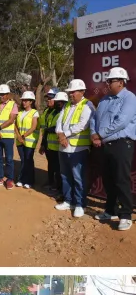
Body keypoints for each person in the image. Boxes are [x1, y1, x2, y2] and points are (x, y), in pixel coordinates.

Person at [91, 67, 136, 232]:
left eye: (111, 81)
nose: (108, 84)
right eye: (107, 81)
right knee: (108, 180)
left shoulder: (130, 98)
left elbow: (121, 122)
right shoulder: (104, 100)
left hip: (122, 144)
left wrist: (100, 134)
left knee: (121, 179)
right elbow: (95, 119)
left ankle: (126, 215)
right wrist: (93, 133)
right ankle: (110, 211)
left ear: (121, 82)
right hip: (105, 145)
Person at [55, 79, 95, 219]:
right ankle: (68, 201)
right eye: (70, 92)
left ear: (82, 92)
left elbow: (83, 124)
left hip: (78, 148)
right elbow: (59, 122)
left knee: (78, 178)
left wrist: (64, 135)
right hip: (63, 147)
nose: (71, 94)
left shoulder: (87, 105)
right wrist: (60, 134)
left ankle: (80, 204)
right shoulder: (67, 105)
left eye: (73, 92)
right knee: (65, 175)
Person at [0, 84, 18, 189]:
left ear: (8, 95)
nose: (1, 96)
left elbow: (11, 120)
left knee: (9, 159)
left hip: (8, 137)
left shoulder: (13, 104)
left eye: (3, 94)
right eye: (0, 94)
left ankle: (10, 179)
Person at [39, 88, 64, 199]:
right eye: (47, 99)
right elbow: (45, 129)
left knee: (58, 168)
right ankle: (50, 182)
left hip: (58, 145)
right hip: (48, 143)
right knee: (51, 164)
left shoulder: (61, 111)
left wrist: (50, 130)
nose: (48, 100)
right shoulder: (48, 111)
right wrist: (43, 144)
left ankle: (57, 187)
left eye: (50, 98)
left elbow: (58, 127)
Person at [14, 91, 39, 189]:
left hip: (29, 141)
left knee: (28, 161)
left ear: (31, 102)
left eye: (26, 100)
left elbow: (33, 127)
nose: (24, 102)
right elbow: (15, 125)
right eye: (23, 100)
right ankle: (21, 179)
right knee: (23, 160)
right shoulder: (20, 113)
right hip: (19, 141)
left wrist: (23, 136)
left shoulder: (34, 113)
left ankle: (29, 180)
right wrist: (18, 136)